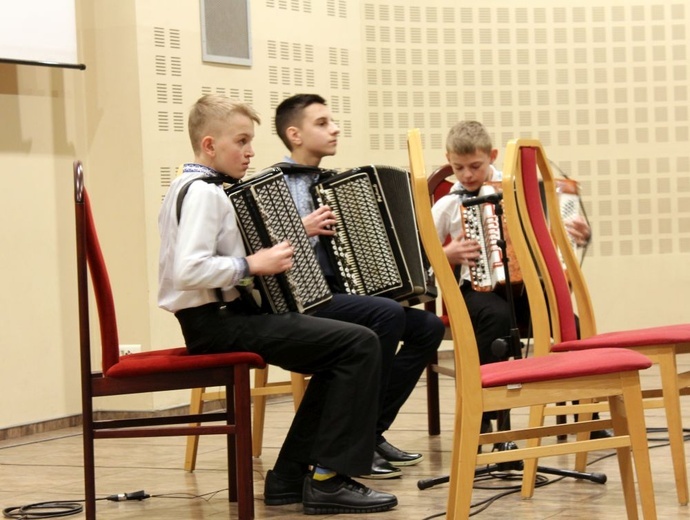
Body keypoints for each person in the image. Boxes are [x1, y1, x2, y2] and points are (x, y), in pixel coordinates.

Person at [157, 94, 398, 514]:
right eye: (241, 141)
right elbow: (188, 270)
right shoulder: (203, 194)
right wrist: (252, 263)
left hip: (222, 318)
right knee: (358, 345)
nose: (251, 152)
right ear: (210, 145)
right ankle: (327, 479)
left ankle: (289, 478)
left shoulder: (191, 187)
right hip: (216, 324)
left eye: (251, 141)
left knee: (346, 349)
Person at [272, 93, 445, 479]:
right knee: (382, 318)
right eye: (322, 123)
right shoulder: (274, 185)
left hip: (342, 294)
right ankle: (356, 441)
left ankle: (371, 430)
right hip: (304, 300)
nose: (334, 129)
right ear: (294, 134)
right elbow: (262, 248)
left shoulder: (339, 183)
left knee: (428, 328)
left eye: (332, 121)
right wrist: (303, 231)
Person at [431, 120, 609, 437]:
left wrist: (577, 236)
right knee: (495, 319)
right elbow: (419, 253)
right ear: (449, 160)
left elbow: (560, 237)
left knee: (572, 324)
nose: (467, 175)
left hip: (526, 289)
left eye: (475, 166)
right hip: (477, 289)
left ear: (493, 156)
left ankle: (588, 415)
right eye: (458, 168)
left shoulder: (523, 189)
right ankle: (488, 414)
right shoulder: (448, 204)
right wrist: (448, 254)